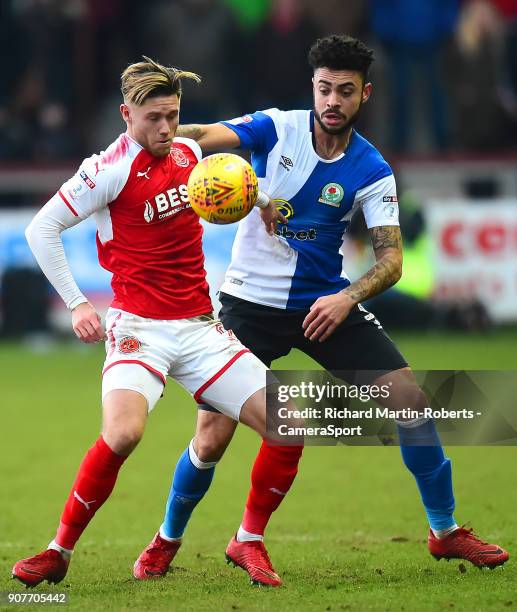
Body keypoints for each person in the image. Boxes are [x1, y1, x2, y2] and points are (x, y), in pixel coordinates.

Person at [134, 35, 509, 586]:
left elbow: (392, 260)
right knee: (211, 436)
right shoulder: (274, 127)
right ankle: (165, 540)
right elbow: (204, 136)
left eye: (346, 91)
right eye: (325, 88)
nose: (332, 100)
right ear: (313, 86)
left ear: (365, 95)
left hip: (324, 304)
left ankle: (443, 529)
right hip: (249, 305)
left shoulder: (372, 168)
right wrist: (158, 131)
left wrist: (347, 296)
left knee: (412, 403)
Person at [11, 56, 286, 588]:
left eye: (173, 115)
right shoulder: (107, 170)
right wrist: (76, 303)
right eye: (153, 118)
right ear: (126, 115)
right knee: (123, 434)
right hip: (139, 329)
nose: (165, 128)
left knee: (288, 427)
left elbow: (232, 182)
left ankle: (245, 541)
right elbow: (41, 230)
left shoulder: (187, 151)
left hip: (202, 328)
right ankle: (58, 551)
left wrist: (264, 201)